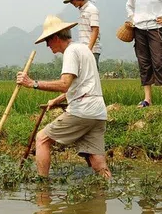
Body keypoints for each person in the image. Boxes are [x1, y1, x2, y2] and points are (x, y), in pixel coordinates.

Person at [16, 15, 111, 179]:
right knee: (96, 157)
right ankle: (106, 188)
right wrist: (56, 100)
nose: (47, 45)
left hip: (82, 111)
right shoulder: (83, 49)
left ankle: (43, 187)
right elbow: (78, 86)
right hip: (98, 112)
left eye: (48, 40)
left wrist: (32, 83)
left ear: (55, 37)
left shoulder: (71, 52)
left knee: (42, 139)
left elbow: (64, 84)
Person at [63, 0, 102, 69]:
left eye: (72, 0)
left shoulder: (91, 9)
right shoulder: (82, 10)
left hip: (92, 49)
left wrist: (89, 49)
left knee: (92, 75)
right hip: (85, 49)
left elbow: (95, 30)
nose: (71, 3)